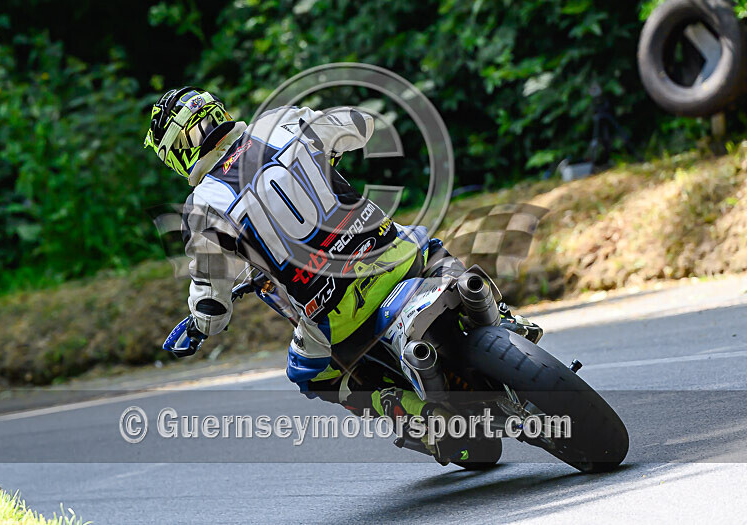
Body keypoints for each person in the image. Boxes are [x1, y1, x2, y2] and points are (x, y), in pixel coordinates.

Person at [144, 87, 533, 460]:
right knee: (428, 248)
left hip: (337, 317)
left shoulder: (203, 207)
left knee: (306, 373)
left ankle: (423, 420)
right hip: (392, 257)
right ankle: (504, 318)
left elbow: (212, 305)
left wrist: (197, 327)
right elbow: (360, 125)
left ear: (177, 152)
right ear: (220, 113)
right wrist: (324, 156)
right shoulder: (280, 124)